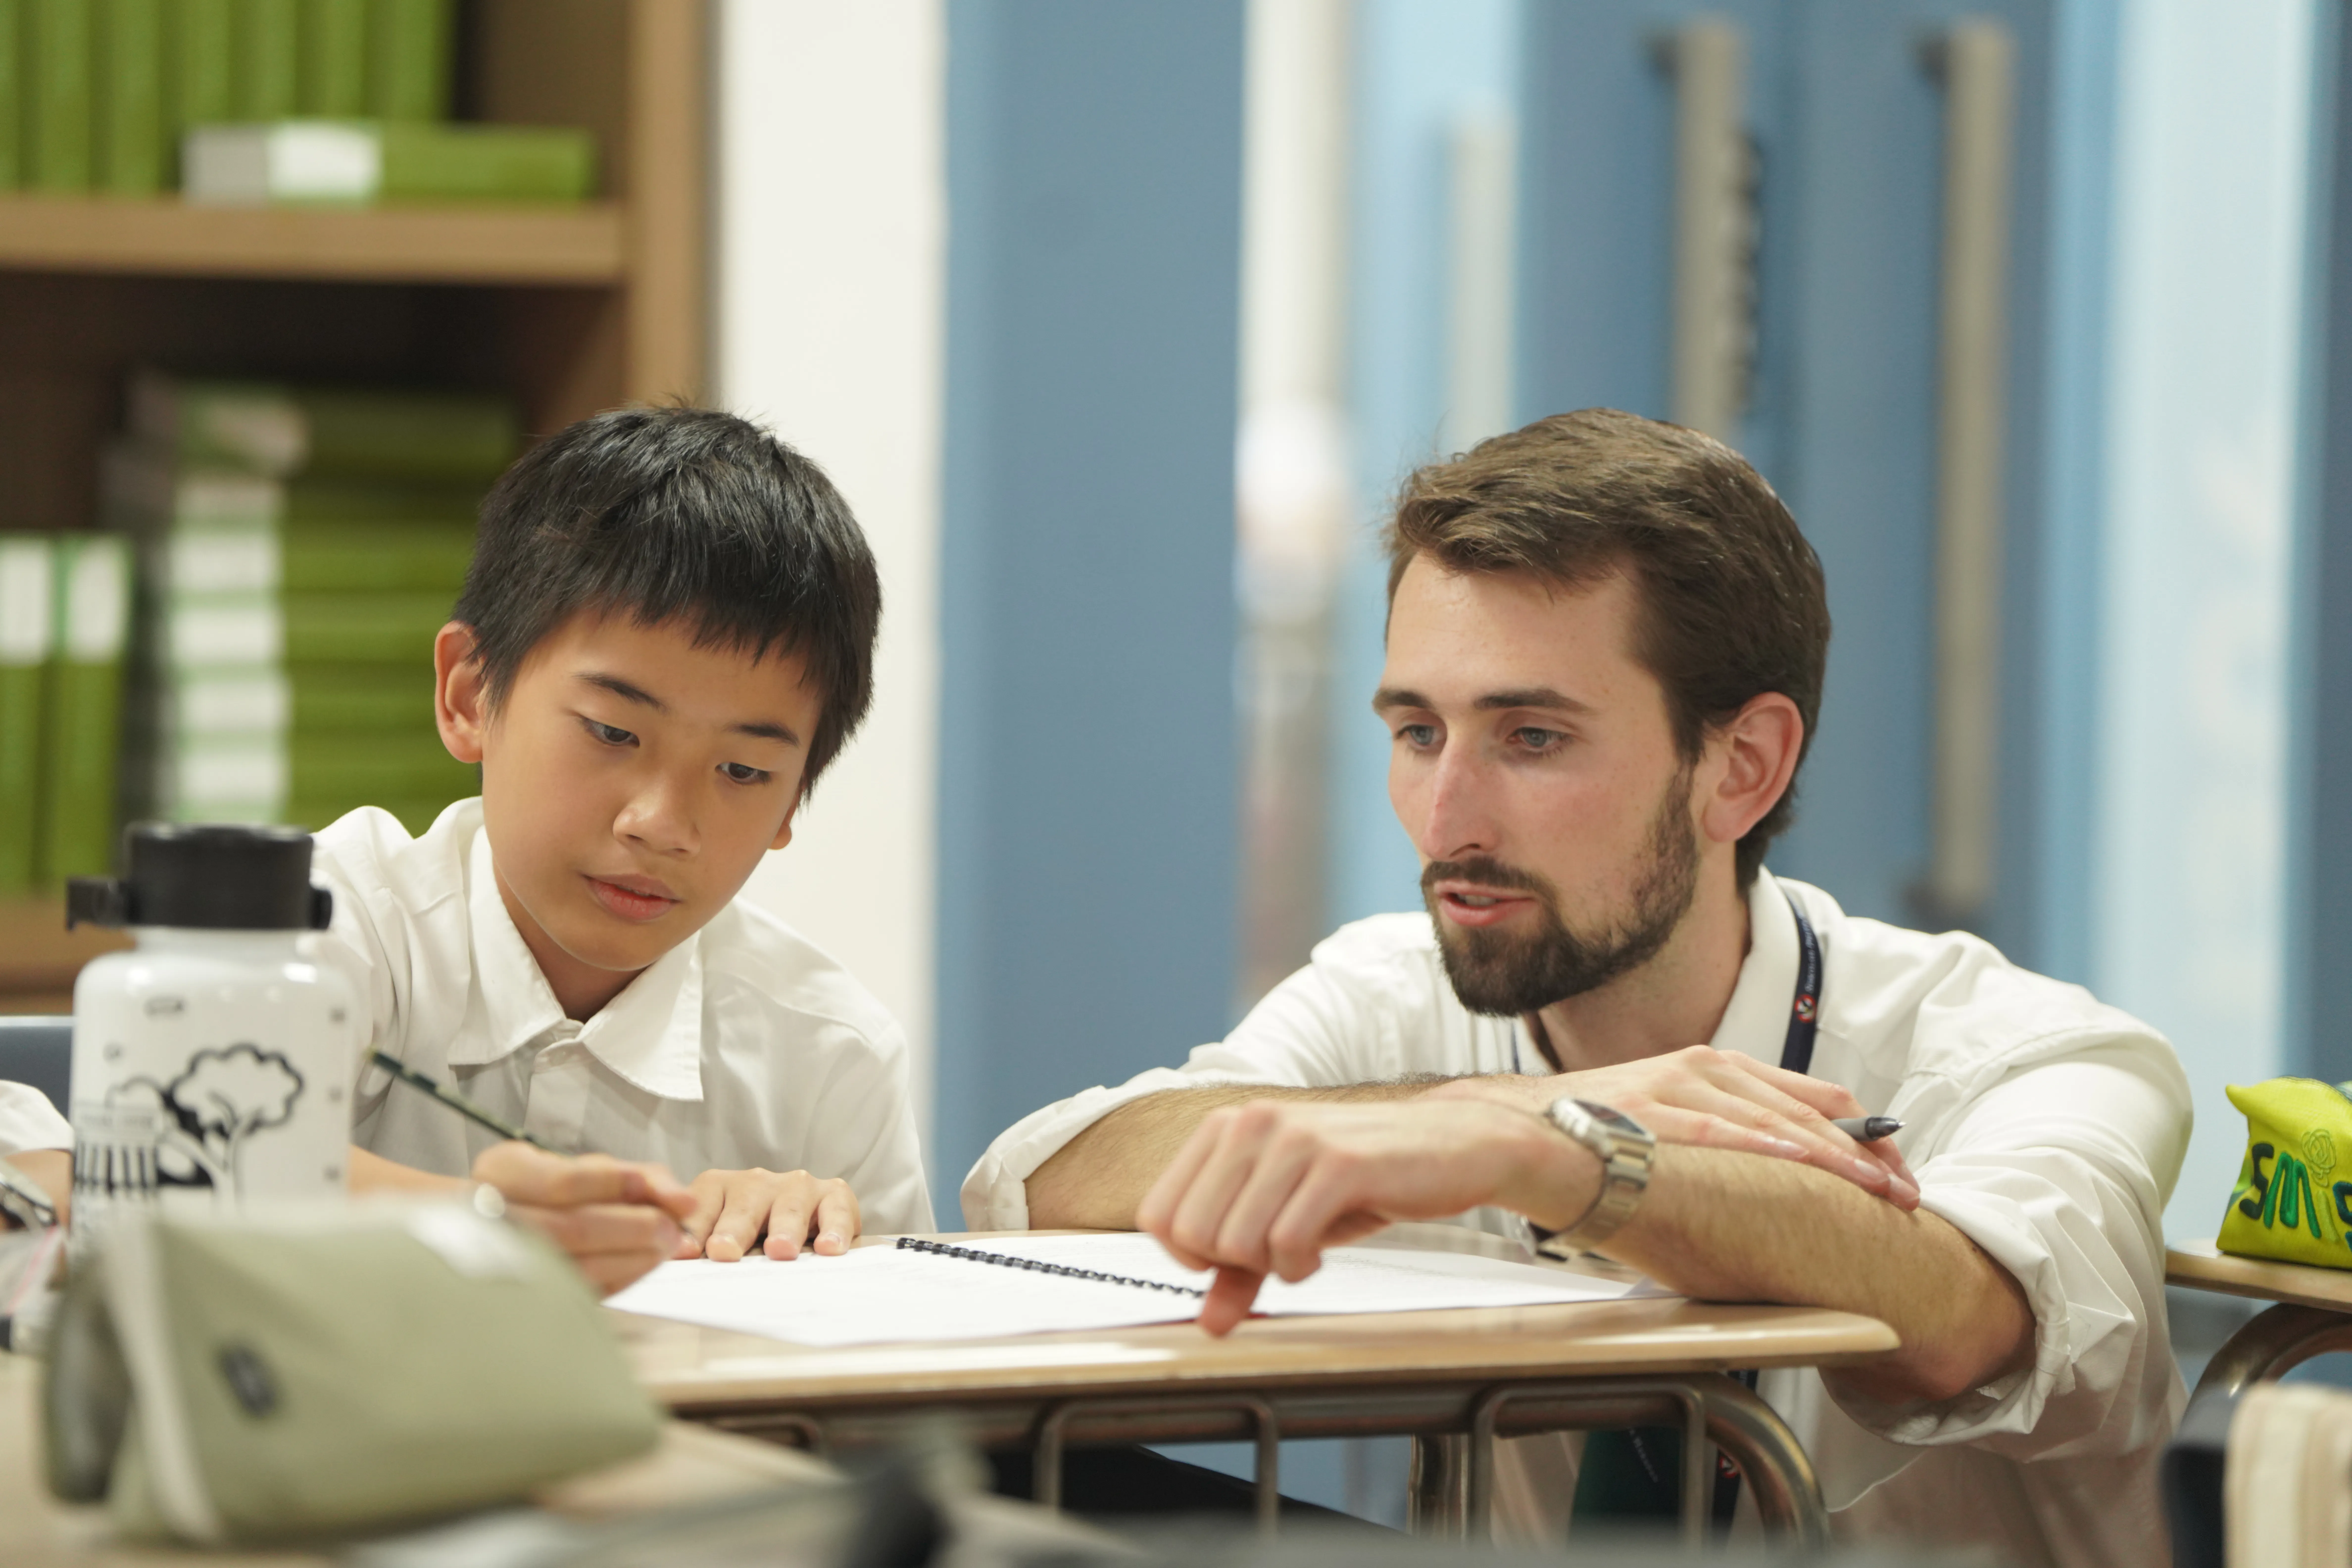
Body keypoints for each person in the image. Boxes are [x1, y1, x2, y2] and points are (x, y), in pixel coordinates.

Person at [964, 410, 2190, 1565]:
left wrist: (1575, 1161)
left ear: (1741, 769)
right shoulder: (1396, 994)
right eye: (1417, 732)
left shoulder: (2026, 1053)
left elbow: (1967, 1320)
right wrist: (1487, 1118)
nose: (1446, 819)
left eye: (1532, 739)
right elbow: (1048, 1178)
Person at [323, 406, 932, 1290]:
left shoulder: (829, 1059)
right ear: (467, 696)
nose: (663, 823)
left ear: (795, 800)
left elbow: (908, 1396)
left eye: (743, 770)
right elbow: (159, 1175)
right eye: (613, 732)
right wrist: (482, 1224)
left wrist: (798, 1252)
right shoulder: (327, 929)